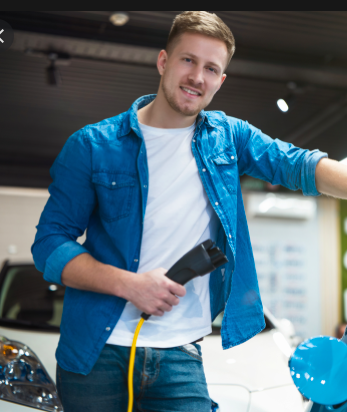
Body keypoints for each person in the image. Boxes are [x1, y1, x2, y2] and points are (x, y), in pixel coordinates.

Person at [32, 10, 347, 412]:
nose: (198, 76)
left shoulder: (230, 139)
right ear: (163, 61)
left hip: (181, 353)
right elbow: (49, 244)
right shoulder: (92, 145)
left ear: (221, 80)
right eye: (188, 60)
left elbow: (298, 164)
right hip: (97, 353)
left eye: (211, 68)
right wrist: (130, 285)